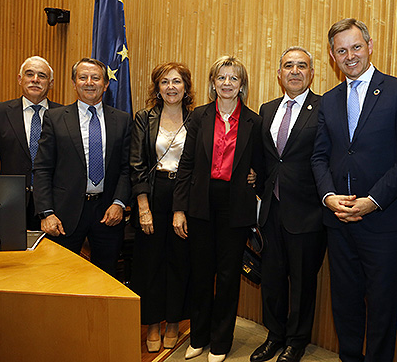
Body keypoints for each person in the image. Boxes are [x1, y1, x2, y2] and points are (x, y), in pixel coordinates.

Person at [311, 19, 397, 362]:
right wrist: (329, 197)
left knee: (383, 305)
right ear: (332, 56)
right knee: (344, 304)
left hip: (383, 221)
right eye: (341, 50)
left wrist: (372, 201)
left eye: (356, 47)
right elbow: (318, 157)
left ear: (370, 46)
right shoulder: (328, 101)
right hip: (339, 222)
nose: (350, 55)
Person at [172, 56, 263, 362]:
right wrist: (179, 209)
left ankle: (221, 341)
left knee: (227, 278)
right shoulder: (198, 116)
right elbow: (186, 165)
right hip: (201, 204)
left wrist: (255, 177)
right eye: (221, 78)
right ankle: (198, 337)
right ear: (213, 83)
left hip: (235, 208)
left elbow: (262, 166)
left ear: (242, 85)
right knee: (200, 274)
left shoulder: (254, 121)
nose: (227, 83)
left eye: (233, 78)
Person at [251, 47, 326, 362]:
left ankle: (296, 341)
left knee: (302, 282)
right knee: (272, 279)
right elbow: (265, 158)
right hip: (271, 210)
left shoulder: (324, 108)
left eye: (302, 66)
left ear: (311, 73)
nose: (295, 71)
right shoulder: (267, 110)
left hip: (308, 211)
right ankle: (274, 336)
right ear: (279, 73)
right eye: (288, 66)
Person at [33, 57, 132, 277]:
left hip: (108, 212)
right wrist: (46, 213)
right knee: (58, 277)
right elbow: (42, 169)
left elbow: (127, 168)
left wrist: (119, 203)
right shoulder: (55, 118)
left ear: (105, 84)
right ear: (73, 82)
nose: (89, 82)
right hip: (63, 214)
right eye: (83, 77)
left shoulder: (123, 120)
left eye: (95, 78)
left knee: (106, 277)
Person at [129, 62, 195, 352]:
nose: (171, 87)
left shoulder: (196, 120)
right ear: (157, 88)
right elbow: (136, 165)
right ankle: (152, 323)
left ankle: (172, 323)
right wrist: (144, 207)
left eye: (177, 81)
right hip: (152, 195)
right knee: (150, 263)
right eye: (165, 82)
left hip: (185, 198)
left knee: (179, 262)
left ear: (186, 87)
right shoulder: (144, 118)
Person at [0, 56, 61, 230]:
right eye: (29, 74)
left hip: (54, 206)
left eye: (42, 76)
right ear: (20, 79)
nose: (35, 79)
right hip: (11, 203)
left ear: (51, 83)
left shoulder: (64, 115)